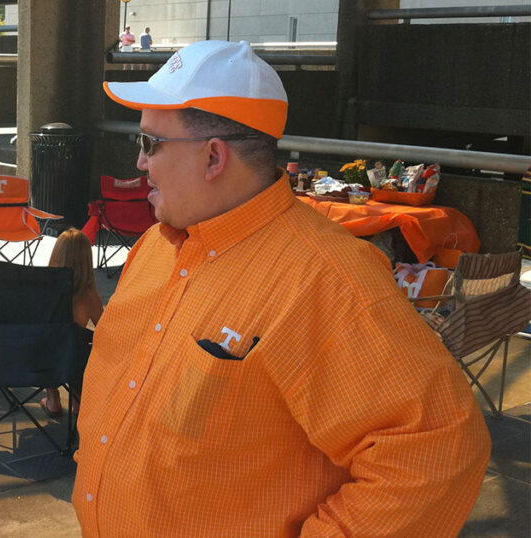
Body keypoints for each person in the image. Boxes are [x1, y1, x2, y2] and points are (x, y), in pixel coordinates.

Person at [74, 40, 491, 537]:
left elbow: (439, 446)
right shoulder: (156, 247)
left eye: (149, 144)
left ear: (213, 157)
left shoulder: (324, 276)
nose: (140, 164)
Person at [40, 228, 103, 417]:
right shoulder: (88, 294)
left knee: (48, 341)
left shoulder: (40, 287)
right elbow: (104, 327)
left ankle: (53, 399)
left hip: (39, 360)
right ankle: (78, 401)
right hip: (72, 363)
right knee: (81, 345)